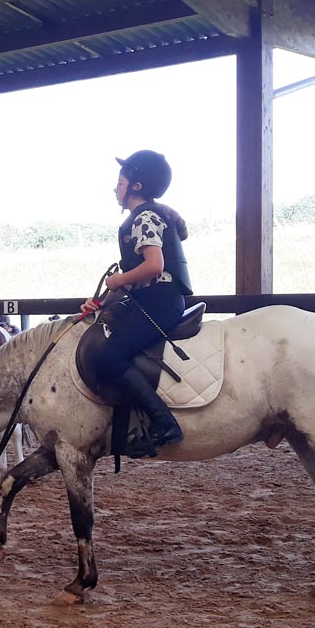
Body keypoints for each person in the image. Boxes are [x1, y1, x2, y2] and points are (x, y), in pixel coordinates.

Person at [79, 150, 191, 454]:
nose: (116, 188)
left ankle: (164, 423)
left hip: (160, 302)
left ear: (136, 186)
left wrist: (118, 280)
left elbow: (154, 266)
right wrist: (101, 302)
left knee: (107, 357)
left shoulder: (144, 218)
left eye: (120, 182)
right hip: (150, 299)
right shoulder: (144, 217)